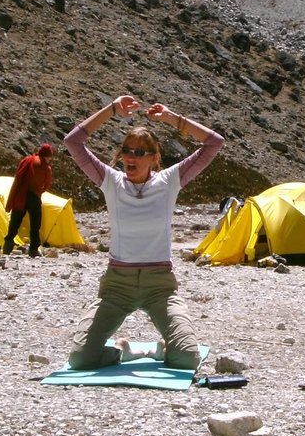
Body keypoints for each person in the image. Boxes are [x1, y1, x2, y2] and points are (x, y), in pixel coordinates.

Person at [63, 95, 223, 370]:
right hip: (117, 286)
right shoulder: (110, 181)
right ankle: (121, 353)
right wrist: (111, 109)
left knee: (186, 359)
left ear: (154, 158)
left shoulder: (169, 181)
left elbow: (214, 143)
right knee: (81, 359)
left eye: (139, 152)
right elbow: (72, 143)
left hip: (159, 286)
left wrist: (173, 118)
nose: (130, 157)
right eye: (127, 150)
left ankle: (163, 350)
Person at [3, 143, 54, 257]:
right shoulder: (46, 167)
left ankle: (7, 246)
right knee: (35, 223)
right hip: (34, 197)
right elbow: (47, 184)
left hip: (20, 195)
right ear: (47, 156)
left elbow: (18, 177)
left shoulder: (27, 160)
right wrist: (39, 191)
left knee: (15, 221)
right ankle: (33, 249)